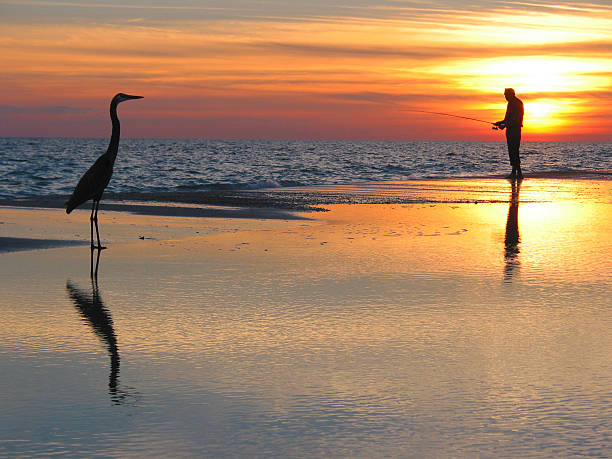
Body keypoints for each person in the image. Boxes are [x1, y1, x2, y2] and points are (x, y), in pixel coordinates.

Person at [494, 88, 524, 181]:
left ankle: (517, 173)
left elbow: (516, 119)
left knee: (514, 150)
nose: (505, 97)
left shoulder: (517, 103)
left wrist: (504, 125)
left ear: (511, 94)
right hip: (511, 129)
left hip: (515, 130)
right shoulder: (511, 103)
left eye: (506, 95)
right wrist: (500, 122)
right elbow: (507, 118)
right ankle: (517, 173)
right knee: (512, 150)